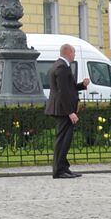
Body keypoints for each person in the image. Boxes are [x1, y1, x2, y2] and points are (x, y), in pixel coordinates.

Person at [45, 43, 90, 178]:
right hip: (63, 110)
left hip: (61, 109)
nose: (74, 55)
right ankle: (59, 170)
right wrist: (70, 112)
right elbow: (63, 92)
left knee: (64, 139)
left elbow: (69, 88)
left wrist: (82, 85)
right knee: (63, 140)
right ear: (68, 52)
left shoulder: (59, 65)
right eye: (73, 53)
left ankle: (63, 167)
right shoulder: (62, 67)